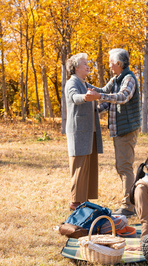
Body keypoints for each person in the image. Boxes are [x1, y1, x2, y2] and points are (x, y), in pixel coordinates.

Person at [85, 48, 141, 217]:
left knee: (125, 167)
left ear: (118, 63)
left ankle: (129, 206)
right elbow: (104, 92)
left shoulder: (129, 79)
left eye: (110, 62)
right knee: (121, 167)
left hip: (127, 129)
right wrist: (85, 85)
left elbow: (122, 97)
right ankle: (129, 203)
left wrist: (98, 97)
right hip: (119, 130)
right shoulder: (116, 78)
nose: (109, 65)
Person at [64, 53, 103, 211]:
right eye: (84, 64)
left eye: (88, 63)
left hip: (90, 132)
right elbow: (74, 97)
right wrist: (86, 97)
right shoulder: (72, 83)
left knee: (89, 166)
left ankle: (85, 200)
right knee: (79, 167)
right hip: (79, 132)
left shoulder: (85, 83)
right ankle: (75, 202)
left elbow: (99, 96)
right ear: (75, 68)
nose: (88, 66)